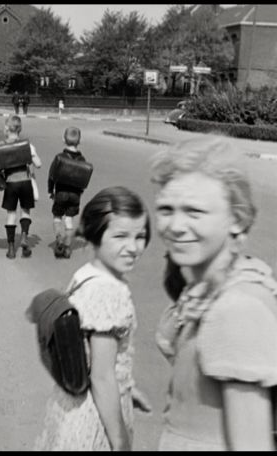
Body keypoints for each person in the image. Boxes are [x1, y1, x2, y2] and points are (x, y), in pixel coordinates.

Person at [151, 136, 277, 451]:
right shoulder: (206, 289)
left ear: (237, 219)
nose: (176, 226)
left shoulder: (237, 307)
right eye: (166, 209)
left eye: (195, 211)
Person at [34, 186, 153, 451]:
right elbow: (102, 377)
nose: (133, 247)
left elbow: (87, 353)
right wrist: (121, 443)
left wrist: (127, 389)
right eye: (121, 236)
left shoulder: (86, 275)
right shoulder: (110, 291)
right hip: (94, 420)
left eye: (140, 236)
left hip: (69, 409)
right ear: (94, 236)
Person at [0, 115, 42, 259]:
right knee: (25, 211)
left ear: (7, 129)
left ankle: (10, 248)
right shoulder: (27, 146)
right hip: (25, 182)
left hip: (11, 183)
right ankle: (24, 237)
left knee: (11, 214)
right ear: (19, 129)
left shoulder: (0, 146)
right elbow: (38, 164)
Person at [48, 126, 93, 259]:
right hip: (75, 195)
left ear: (63, 139)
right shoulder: (82, 160)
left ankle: (59, 239)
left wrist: (51, 190)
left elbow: (51, 176)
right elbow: (84, 180)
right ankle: (67, 247)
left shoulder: (59, 157)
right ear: (80, 141)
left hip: (61, 193)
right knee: (69, 220)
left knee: (57, 217)